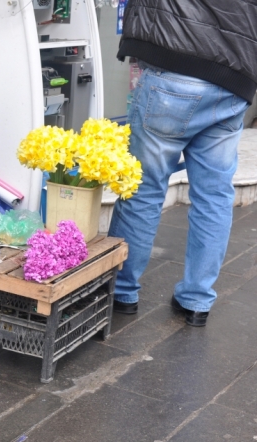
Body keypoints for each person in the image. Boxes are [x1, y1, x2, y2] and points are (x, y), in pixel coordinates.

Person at [108, 0, 256, 327]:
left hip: (173, 68)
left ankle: (121, 289)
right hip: (234, 79)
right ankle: (197, 301)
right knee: (214, 196)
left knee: (143, 188)